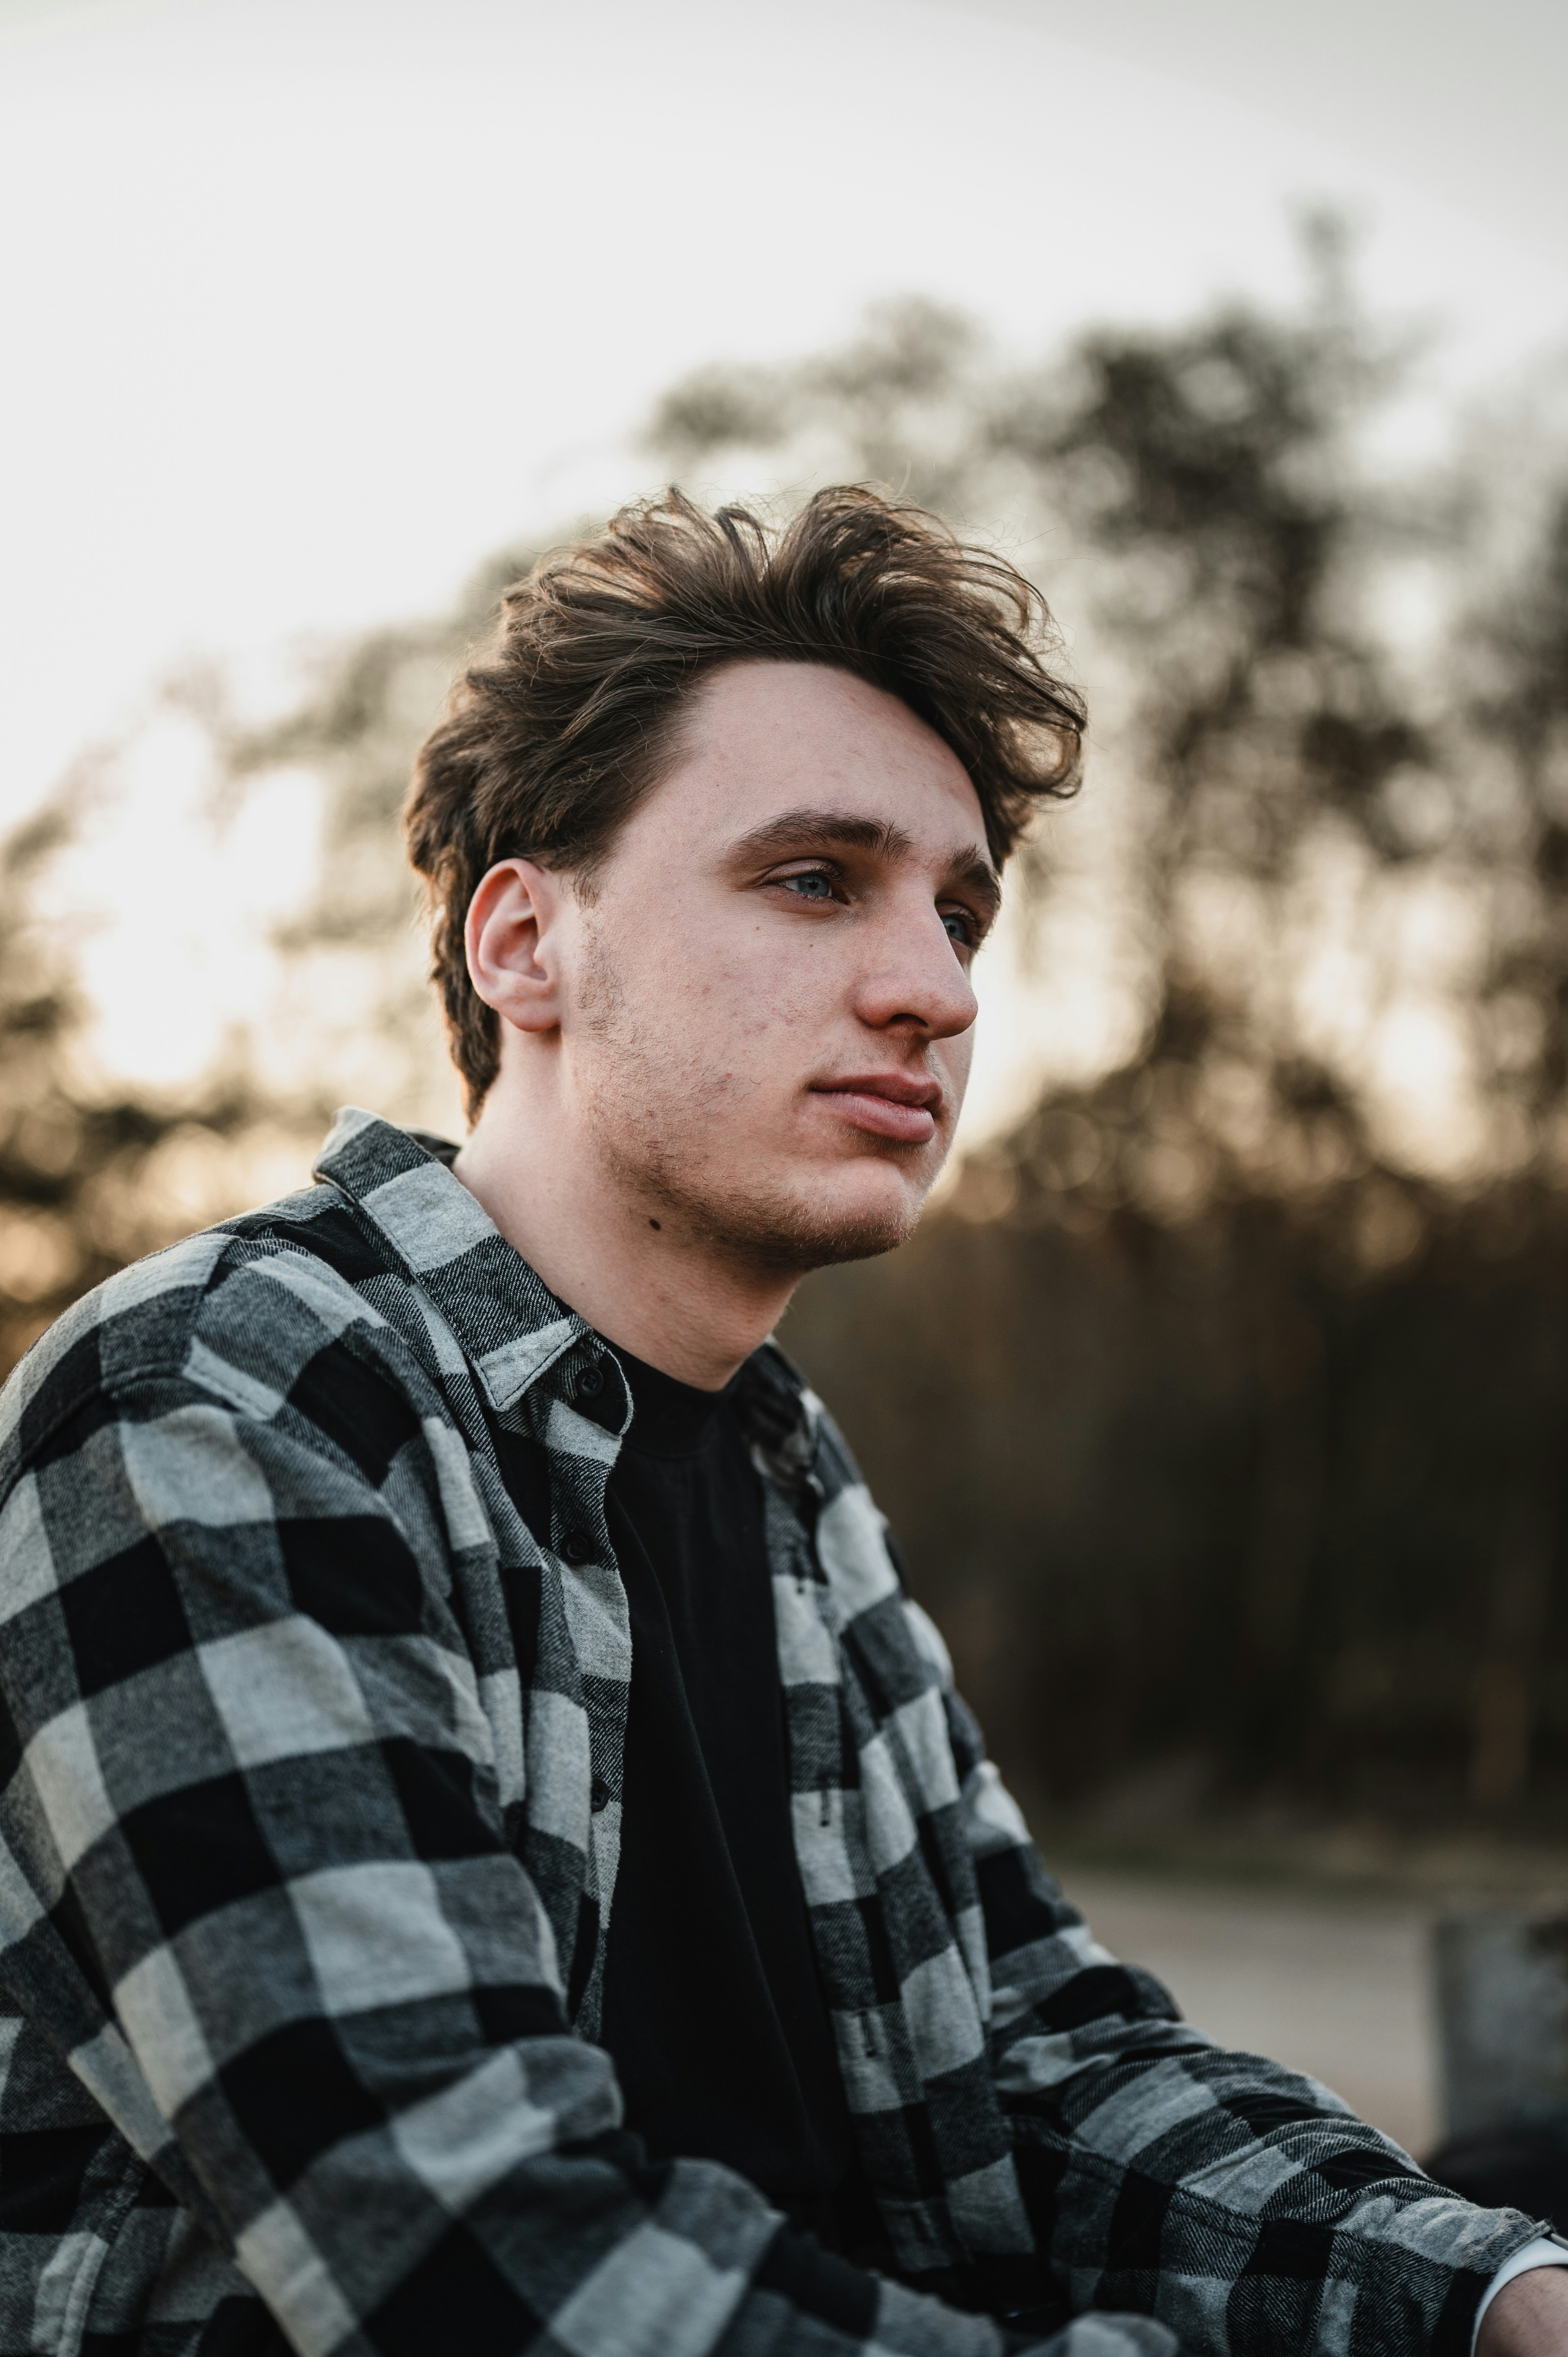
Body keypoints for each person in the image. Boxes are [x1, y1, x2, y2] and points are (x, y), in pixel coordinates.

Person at [0, 488, 1563, 2357]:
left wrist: (1496, 2298)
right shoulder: (223, 1397)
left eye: (959, 909)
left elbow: (1032, 2055)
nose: (936, 988)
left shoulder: (780, 1470)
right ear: (525, 946)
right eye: (815, 878)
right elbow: (467, 2244)